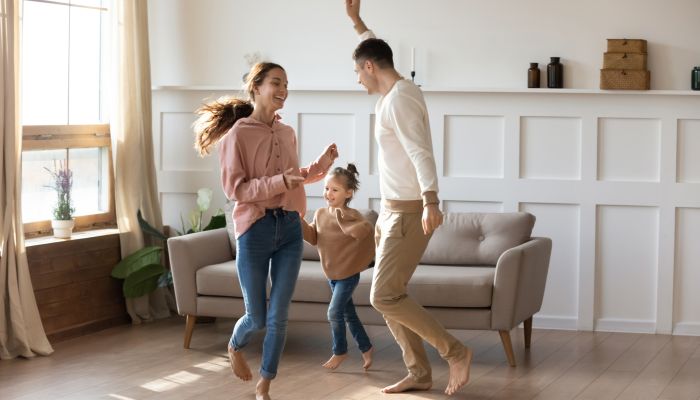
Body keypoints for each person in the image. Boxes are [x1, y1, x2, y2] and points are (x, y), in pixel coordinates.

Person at [344, 0, 473, 396]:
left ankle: (455, 351)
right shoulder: (396, 91)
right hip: (389, 211)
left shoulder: (399, 99)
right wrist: (357, 23)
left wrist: (432, 201)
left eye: (357, 72)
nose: (357, 81)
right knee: (390, 297)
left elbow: (420, 152)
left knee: (382, 294)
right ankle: (418, 373)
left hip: (408, 212)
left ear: (369, 67)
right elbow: (373, 47)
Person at [193, 62, 339, 400]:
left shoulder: (287, 132)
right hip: (254, 230)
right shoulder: (238, 135)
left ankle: (265, 384)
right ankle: (235, 345)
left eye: (287, 83)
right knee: (256, 316)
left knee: (279, 316)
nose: (283, 89)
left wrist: (320, 167)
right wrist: (278, 182)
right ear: (255, 86)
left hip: (289, 226)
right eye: (276, 82)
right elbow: (235, 189)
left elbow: (292, 176)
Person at [300, 163, 375, 371]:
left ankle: (339, 351)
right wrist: (300, 223)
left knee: (334, 312)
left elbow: (363, 232)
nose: (328, 193)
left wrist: (344, 223)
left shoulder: (353, 216)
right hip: (331, 273)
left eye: (335, 190)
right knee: (349, 315)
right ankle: (367, 348)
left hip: (348, 274)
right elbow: (314, 237)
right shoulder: (321, 214)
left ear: (348, 193)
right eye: (326, 188)